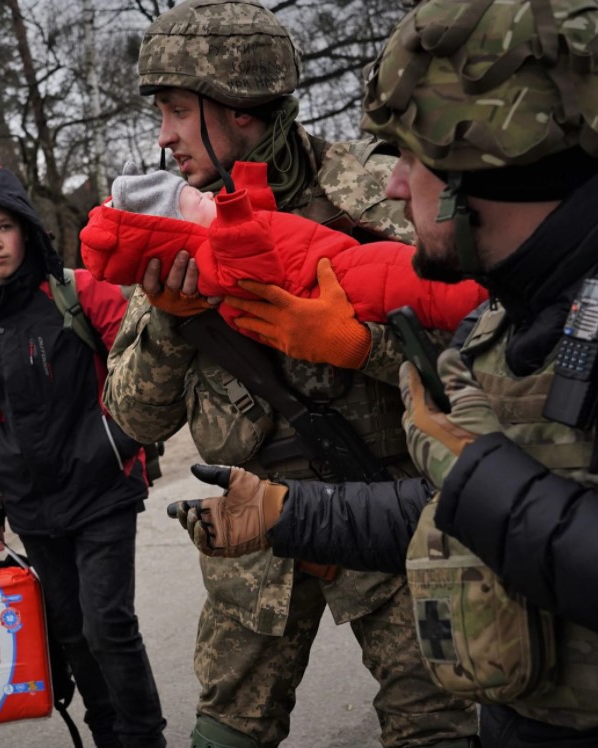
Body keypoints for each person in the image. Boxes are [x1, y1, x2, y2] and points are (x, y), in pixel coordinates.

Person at [179, 0, 598, 745]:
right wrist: (284, 514)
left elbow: (478, 490)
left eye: (412, 158)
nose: (398, 187)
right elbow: (461, 509)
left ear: (482, 163)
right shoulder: (511, 320)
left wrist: (471, 468)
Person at [101, 1, 480, 747]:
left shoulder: (376, 195)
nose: (163, 136)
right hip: (250, 537)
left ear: (238, 106)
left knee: (437, 731)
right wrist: (172, 322)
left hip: (389, 518)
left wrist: (357, 348)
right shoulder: (170, 223)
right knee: (224, 736)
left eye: (178, 110)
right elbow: (133, 416)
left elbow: (482, 361)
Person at [0, 164, 167, 748]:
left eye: (3, 227)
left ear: (26, 230)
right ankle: (108, 736)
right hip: (35, 507)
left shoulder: (78, 292)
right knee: (71, 631)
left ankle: (145, 738)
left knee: (107, 624)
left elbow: (142, 372)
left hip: (102, 491)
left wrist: (125, 444)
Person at [80, 160, 486, 345]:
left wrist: (248, 180)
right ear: (177, 233)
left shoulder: (221, 233)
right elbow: (247, 271)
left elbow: (262, 215)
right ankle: (489, 309)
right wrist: (235, 210)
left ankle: (491, 305)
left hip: (337, 262)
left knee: (411, 275)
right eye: (194, 203)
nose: (208, 197)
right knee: (426, 290)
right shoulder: (212, 258)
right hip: (334, 284)